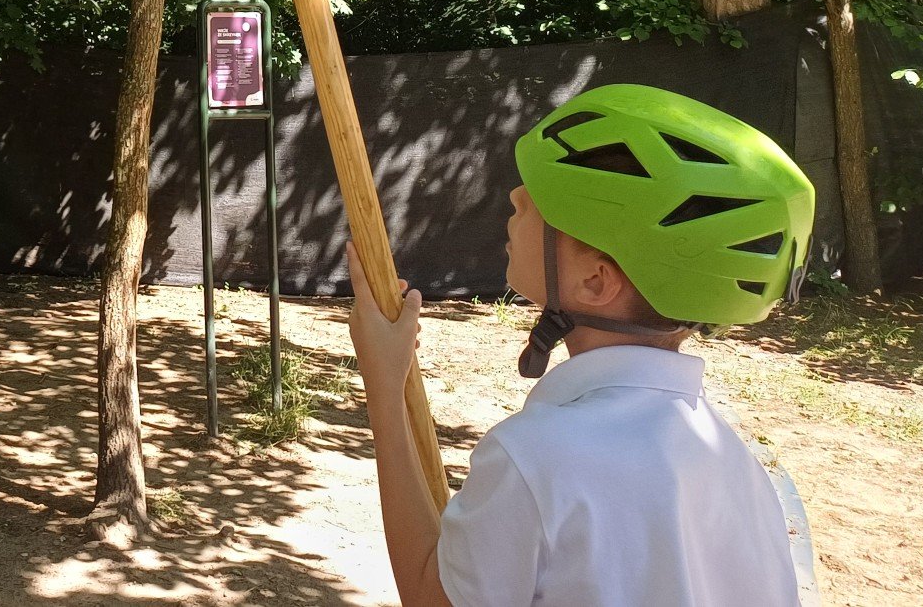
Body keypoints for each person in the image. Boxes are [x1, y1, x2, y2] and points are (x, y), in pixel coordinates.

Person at [349, 82, 815, 607]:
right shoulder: (740, 467)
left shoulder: (535, 458)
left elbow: (428, 596)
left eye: (548, 203)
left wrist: (384, 386)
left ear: (595, 281)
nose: (517, 197)